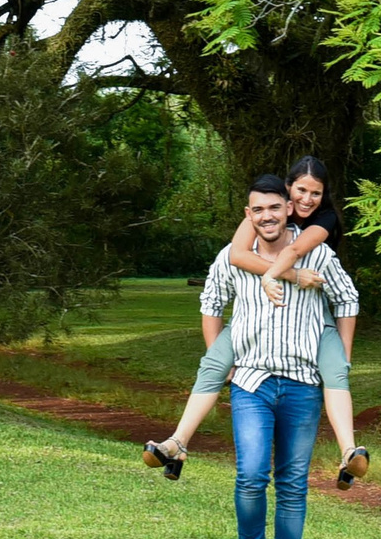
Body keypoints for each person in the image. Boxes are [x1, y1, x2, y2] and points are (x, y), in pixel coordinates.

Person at [187, 173, 361, 539]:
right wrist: (221, 357)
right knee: (250, 477)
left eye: (275, 207)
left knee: (292, 487)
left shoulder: (317, 252)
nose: (268, 216)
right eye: (258, 209)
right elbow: (211, 302)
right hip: (252, 384)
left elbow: (347, 298)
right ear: (249, 215)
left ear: (289, 209)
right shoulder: (233, 256)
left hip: (302, 386)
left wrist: (341, 355)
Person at [144, 155, 368, 487]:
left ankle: (349, 453)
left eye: (316, 193)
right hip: (253, 318)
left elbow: (295, 254)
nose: (307, 199)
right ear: (289, 190)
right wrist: (289, 276)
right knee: (212, 364)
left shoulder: (323, 220)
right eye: (301, 191)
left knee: (336, 371)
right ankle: (176, 444)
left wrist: (344, 354)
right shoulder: (264, 210)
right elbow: (236, 255)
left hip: (311, 315)